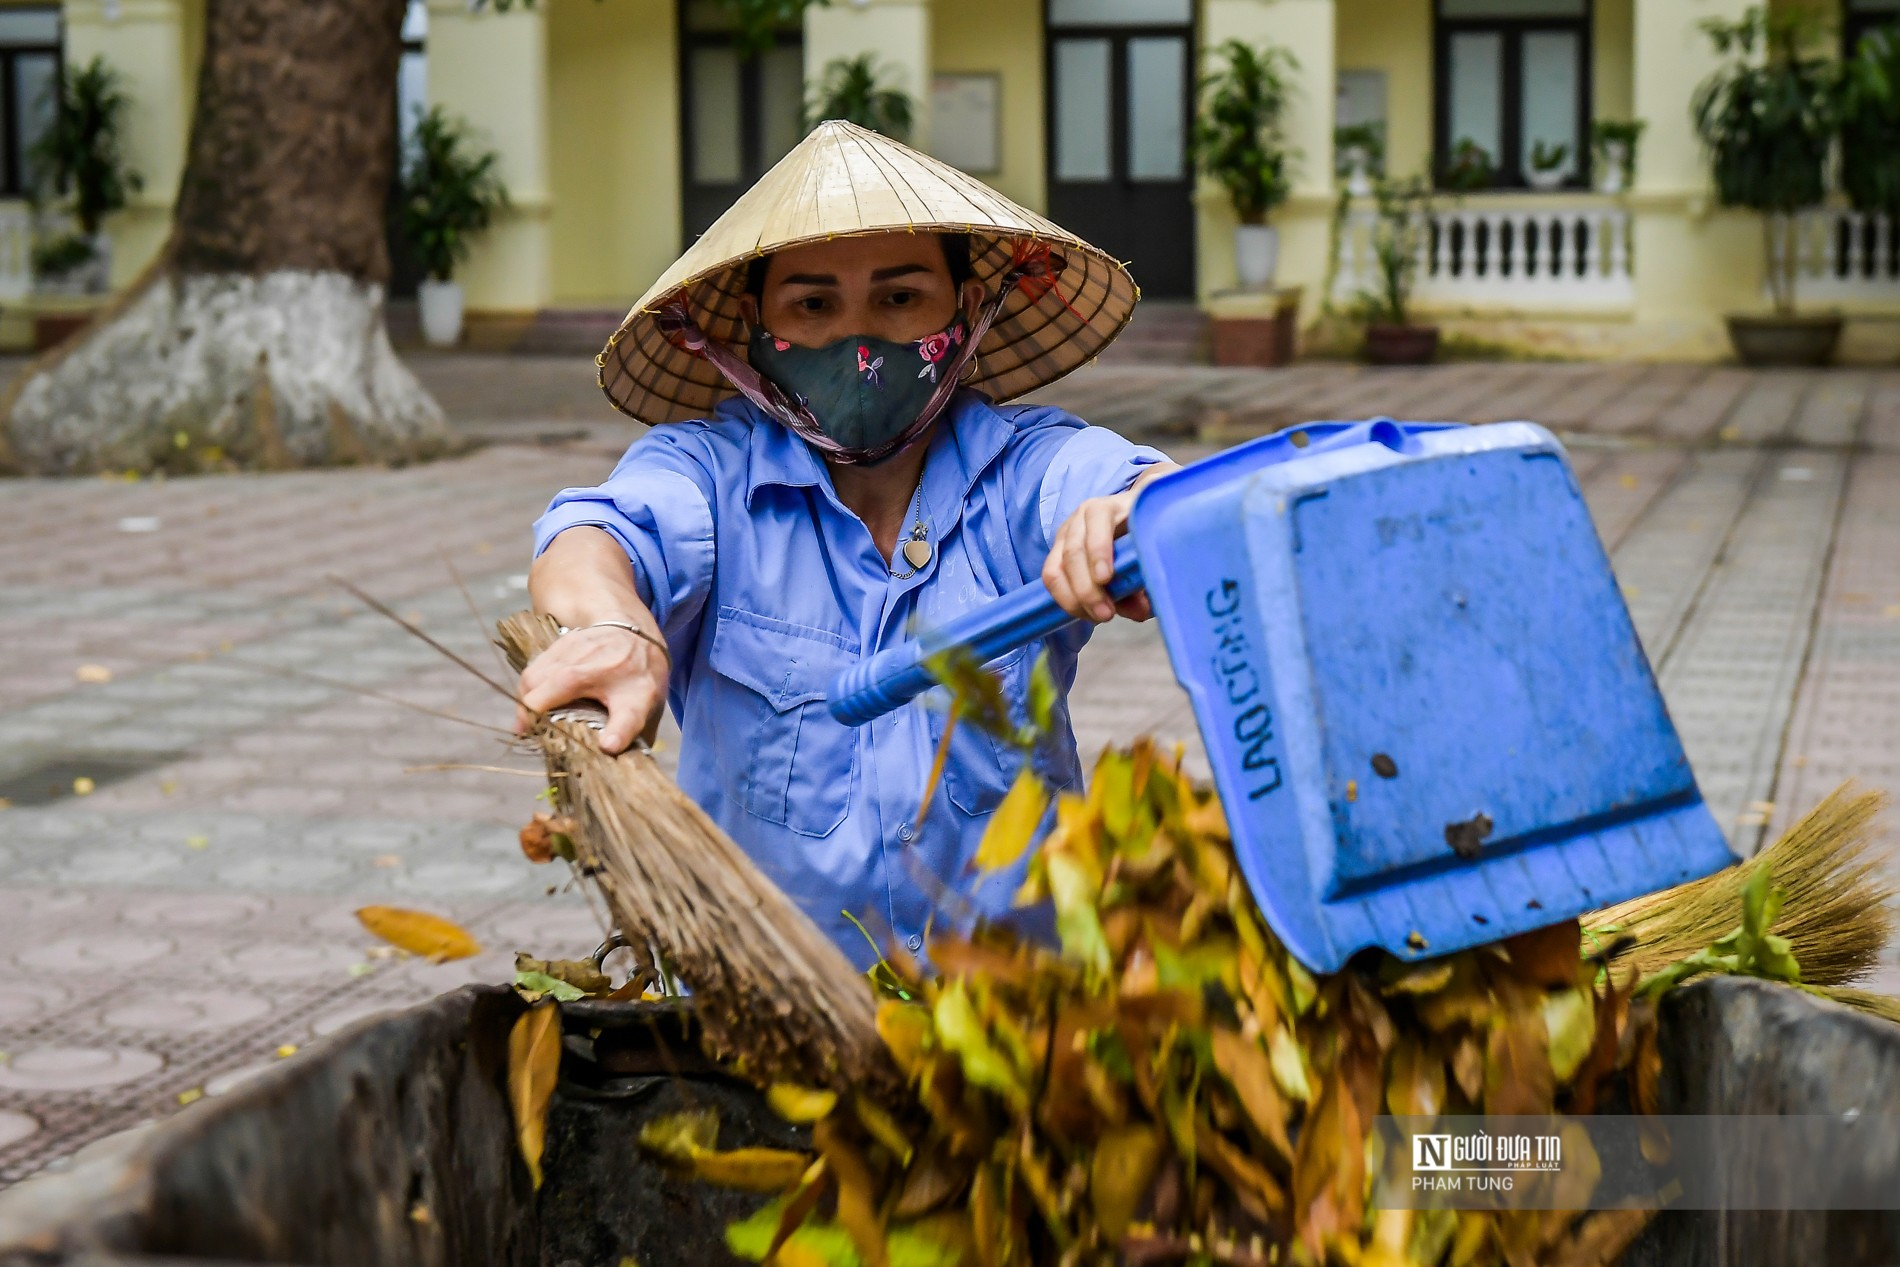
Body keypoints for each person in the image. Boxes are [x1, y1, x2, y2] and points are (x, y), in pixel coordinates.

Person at [518, 121, 1178, 965]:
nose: (859, 341)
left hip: (1020, 1017)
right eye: (814, 305)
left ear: (968, 311)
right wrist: (615, 623)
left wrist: (1138, 513)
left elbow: (1124, 484)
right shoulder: (711, 477)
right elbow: (596, 534)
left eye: (902, 299)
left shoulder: (1022, 469)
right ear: (757, 327)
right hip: (768, 1013)